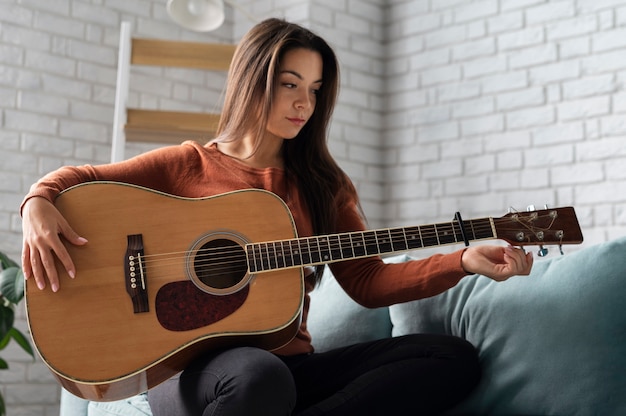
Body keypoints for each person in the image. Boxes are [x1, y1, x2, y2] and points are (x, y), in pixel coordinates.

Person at [21, 18, 533, 416]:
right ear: (253, 79)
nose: (304, 103)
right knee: (259, 380)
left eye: (314, 90)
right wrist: (37, 203)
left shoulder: (323, 184)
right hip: (190, 373)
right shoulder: (187, 164)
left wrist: (464, 258)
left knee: (450, 359)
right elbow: (74, 180)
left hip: (289, 371)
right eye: (290, 84)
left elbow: (368, 280)